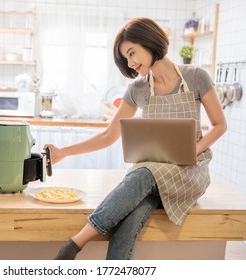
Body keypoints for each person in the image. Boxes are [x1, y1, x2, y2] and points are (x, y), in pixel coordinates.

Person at [45, 17, 227, 260]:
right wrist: (63, 152)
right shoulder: (138, 90)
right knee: (129, 219)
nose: (130, 63)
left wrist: (195, 148)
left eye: (132, 53)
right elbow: (109, 135)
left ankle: (75, 244)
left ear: (149, 42)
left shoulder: (196, 77)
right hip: (152, 174)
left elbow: (219, 125)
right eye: (126, 58)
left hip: (188, 171)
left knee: (142, 172)